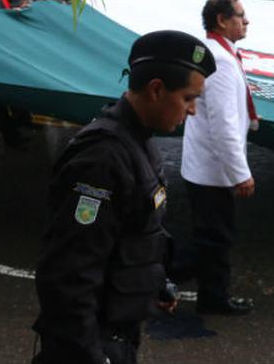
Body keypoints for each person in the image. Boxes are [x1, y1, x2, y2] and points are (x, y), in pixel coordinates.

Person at [34, 30, 215, 364]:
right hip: (91, 343)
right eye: (188, 98)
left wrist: (156, 282)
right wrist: (88, 356)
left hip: (118, 332)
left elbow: (135, 229)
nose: (192, 111)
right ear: (157, 89)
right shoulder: (102, 160)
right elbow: (68, 274)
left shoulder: (137, 140)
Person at [172, 0, 255, 316]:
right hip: (212, 169)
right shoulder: (219, 61)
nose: (246, 20)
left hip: (208, 165)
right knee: (214, 238)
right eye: (240, 15)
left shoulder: (222, 52)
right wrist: (241, 173)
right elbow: (223, 125)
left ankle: (212, 296)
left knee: (214, 236)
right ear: (222, 21)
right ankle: (158, 278)